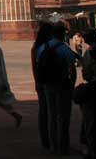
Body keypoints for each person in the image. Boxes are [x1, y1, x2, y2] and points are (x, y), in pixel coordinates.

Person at [36, 21, 79, 155]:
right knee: (63, 117)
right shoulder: (64, 48)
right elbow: (72, 70)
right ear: (63, 34)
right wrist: (71, 86)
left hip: (48, 85)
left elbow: (38, 66)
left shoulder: (43, 47)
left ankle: (53, 146)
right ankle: (63, 146)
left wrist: (40, 83)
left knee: (52, 116)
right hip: (62, 85)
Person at [31, 21, 54, 149]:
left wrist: (37, 82)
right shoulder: (54, 46)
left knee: (44, 111)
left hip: (41, 81)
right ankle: (57, 140)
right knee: (56, 112)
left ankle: (45, 140)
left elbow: (34, 67)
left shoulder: (36, 47)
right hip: (54, 82)